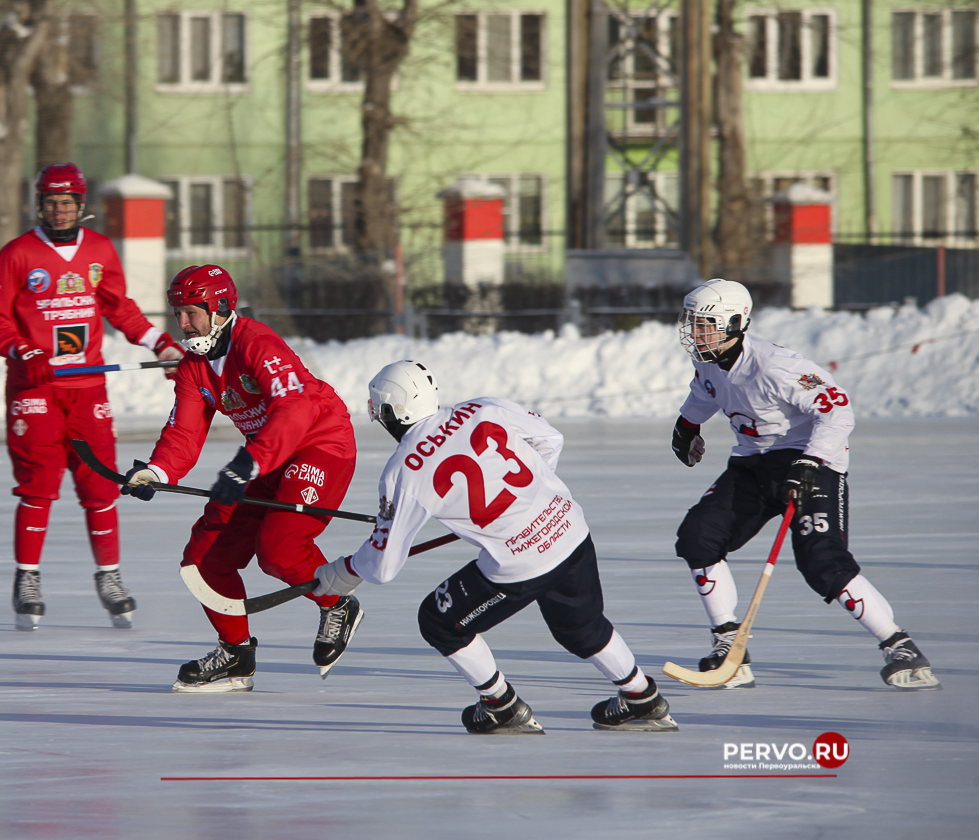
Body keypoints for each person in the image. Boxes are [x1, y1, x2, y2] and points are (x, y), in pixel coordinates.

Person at [311, 360, 679, 734]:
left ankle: (501, 707)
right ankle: (642, 698)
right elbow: (550, 439)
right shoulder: (484, 407)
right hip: (569, 527)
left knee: (438, 621)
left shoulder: (404, 470)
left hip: (521, 562)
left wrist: (340, 573)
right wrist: (528, 500)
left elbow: (383, 565)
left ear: (391, 412)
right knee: (580, 627)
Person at [668, 278, 940, 690]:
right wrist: (687, 427)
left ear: (736, 323)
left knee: (822, 562)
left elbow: (838, 410)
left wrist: (811, 461)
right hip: (753, 465)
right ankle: (729, 644)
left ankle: (898, 645)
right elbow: (705, 393)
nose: (695, 332)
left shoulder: (777, 366)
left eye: (704, 323)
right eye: (692, 322)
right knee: (698, 537)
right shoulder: (709, 361)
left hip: (809, 462)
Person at [120, 264, 363, 692]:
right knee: (203, 557)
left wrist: (248, 464)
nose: (182, 323)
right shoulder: (195, 366)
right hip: (264, 454)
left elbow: (296, 410)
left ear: (221, 308)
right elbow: (184, 431)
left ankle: (336, 601)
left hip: (319, 444)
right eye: (177, 313)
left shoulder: (258, 344)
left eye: (191, 313)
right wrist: (156, 471)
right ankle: (235, 655)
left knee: (279, 550)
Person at [0, 162, 186, 631]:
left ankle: (109, 576)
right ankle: (27, 578)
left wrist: (162, 345)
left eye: (68, 203)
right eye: (51, 202)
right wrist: (21, 348)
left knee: (100, 485)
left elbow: (121, 308)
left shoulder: (99, 250)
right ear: (40, 205)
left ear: (81, 205)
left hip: (88, 390)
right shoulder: (17, 254)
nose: (60, 210)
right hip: (36, 388)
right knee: (38, 486)